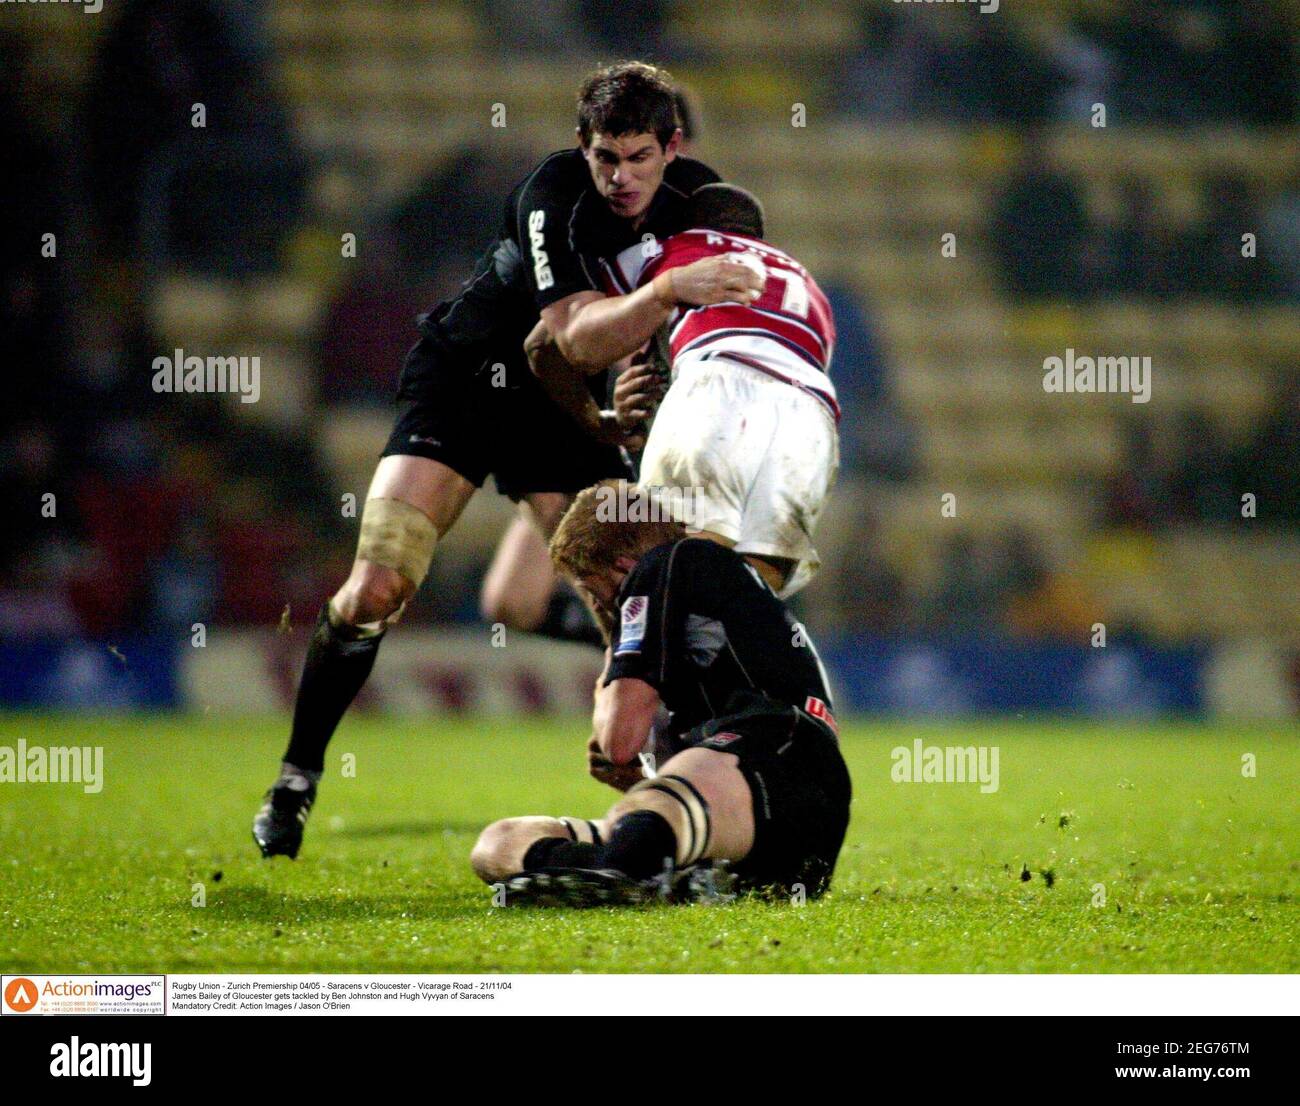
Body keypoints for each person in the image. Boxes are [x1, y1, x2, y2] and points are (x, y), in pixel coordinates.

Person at [252, 62, 762, 859]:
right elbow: (572, 336)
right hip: (467, 384)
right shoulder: (551, 194)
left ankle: (666, 800)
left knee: (628, 596)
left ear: (670, 148)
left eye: (637, 157)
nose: (619, 177)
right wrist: (664, 302)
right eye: (605, 158)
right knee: (379, 581)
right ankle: (296, 777)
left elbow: (691, 340)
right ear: (581, 148)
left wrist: (643, 407)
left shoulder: (700, 207)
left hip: (563, 416)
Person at [469, 481, 852, 905]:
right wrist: (645, 776)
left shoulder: (663, 565)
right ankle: (639, 874)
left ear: (621, 567)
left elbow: (618, 741)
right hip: (770, 809)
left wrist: (612, 674)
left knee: (641, 815)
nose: (603, 610)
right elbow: (675, 759)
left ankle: (622, 868)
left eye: (597, 595)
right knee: (498, 843)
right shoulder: (710, 587)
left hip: (780, 763)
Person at [530, 183, 838, 596]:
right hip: (811, 419)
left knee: (664, 573)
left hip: (715, 388)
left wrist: (599, 420)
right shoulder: (808, 286)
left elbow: (544, 344)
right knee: (746, 599)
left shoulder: (671, 249)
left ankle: (635, 648)